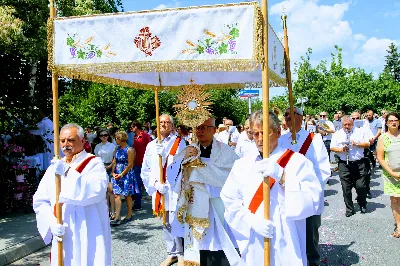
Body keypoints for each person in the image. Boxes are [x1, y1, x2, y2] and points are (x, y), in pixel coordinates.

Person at [221, 110, 321, 265]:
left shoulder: (297, 162)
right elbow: (229, 200)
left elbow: (313, 199)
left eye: (265, 133)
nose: (260, 139)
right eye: (255, 134)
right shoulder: (242, 164)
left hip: (287, 238)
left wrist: (283, 177)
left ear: (278, 132)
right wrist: (250, 220)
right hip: (254, 237)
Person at [32, 123, 111, 266]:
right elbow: (40, 200)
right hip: (63, 229)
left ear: (82, 141)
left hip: (88, 228)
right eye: (62, 140)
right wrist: (51, 222)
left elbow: (96, 190)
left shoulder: (93, 163)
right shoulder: (55, 167)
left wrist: (68, 172)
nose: (65, 144)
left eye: (71, 140)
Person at [172, 117, 240, 266]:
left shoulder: (226, 152)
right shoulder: (189, 150)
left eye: (204, 127)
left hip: (219, 204)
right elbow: (173, 177)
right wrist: (181, 161)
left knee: (222, 245)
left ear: (214, 130)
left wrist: (200, 170)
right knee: (199, 248)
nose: (200, 131)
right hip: (196, 204)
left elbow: (233, 176)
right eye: (198, 127)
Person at [279, 107, 330, 266]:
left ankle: (312, 261)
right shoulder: (280, 140)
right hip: (285, 194)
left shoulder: (314, 140)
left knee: (310, 233)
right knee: (289, 232)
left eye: (291, 114)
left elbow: (323, 170)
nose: (287, 117)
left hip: (307, 196)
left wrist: (309, 191)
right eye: (286, 115)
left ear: (301, 118)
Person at [141, 114, 186, 266]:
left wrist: (175, 183)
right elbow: (145, 169)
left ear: (172, 126)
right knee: (165, 221)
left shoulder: (180, 143)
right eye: (161, 122)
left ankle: (181, 254)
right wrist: (154, 183)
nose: (164, 124)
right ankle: (171, 252)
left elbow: (184, 166)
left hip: (175, 189)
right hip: (160, 189)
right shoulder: (151, 145)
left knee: (177, 221)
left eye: (167, 122)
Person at [330, 115, 370, 217]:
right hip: (344, 163)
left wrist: (357, 144)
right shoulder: (337, 134)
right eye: (345, 125)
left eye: (349, 124)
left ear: (353, 124)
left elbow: (367, 144)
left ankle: (362, 203)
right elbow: (332, 147)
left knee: (360, 185)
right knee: (346, 187)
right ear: (342, 124)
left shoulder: (360, 131)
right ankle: (349, 208)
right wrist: (341, 150)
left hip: (358, 162)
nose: (347, 126)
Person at [376, 112, 400, 238]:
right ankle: (399, 226)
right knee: (395, 199)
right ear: (386, 123)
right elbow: (380, 158)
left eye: (395, 120)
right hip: (391, 175)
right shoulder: (382, 138)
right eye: (390, 121)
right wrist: (392, 172)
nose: (393, 122)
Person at [110, 131, 135, 225]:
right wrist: (113, 173)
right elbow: (114, 161)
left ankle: (129, 213)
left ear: (120, 139)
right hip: (117, 174)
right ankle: (117, 217)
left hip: (126, 174)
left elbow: (130, 164)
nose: (115, 140)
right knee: (116, 194)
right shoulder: (117, 149)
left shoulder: (129, 149)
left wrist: (122, 174)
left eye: (116, 138)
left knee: (127, 194)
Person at [94, 129, 116, 218]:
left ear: (108, 136)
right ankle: (105, 211)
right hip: (100, 167)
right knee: (104, 191)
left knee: (111, 190)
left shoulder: (112, 146)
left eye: (106, 135)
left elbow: (115, 158)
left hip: (110, 166)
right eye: (102, 135)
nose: (104, 137)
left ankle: (113, 211)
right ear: (99, 137)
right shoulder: (97, 147)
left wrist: (110, 166)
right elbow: (96, 158)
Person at [130, 120, 151, 211]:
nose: (131, 129)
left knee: (148, 182)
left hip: (145, 164)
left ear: (137, 127)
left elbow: (150, 148)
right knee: (137, 184)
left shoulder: (145, 136)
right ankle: (137, 203)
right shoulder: (135, 137)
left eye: (132, 127)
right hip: (137, 164)